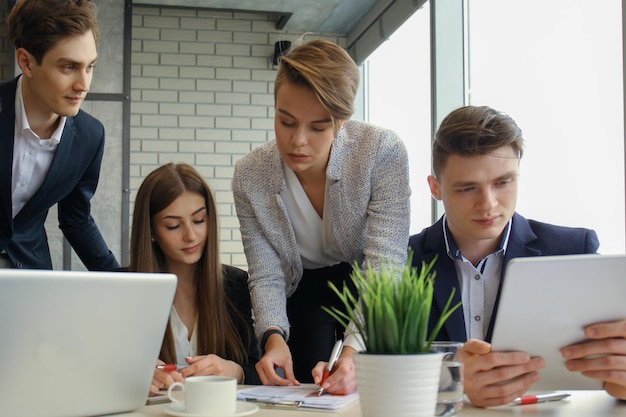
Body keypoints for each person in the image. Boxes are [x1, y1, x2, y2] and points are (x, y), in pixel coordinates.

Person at [408, 105, 626, 406]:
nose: (488, 204)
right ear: (435, 188)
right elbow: (371, 365)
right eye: (467, 188)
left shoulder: (574, 251)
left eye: (503, 182)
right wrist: (450, 379)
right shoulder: (399, 260)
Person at [231, 38, 410, 388]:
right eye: (286, 122)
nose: (298, 141)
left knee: (369, 382)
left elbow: (385, 265)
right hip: (303, 289)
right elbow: (266, 272)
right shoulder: (250, 174)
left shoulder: (381, 153)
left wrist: (354, 349)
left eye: (318, 127)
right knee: (303, 384)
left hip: (366, 282)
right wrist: (272, 337)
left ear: (342, 122)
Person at [0, 0, 118, 270]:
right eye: (68, 67)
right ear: (26, 63)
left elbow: (76, 218)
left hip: (30, 275)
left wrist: (120, 281)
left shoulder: (91, 136)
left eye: (90, 67)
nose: (83, 84)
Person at [129, 163, 261, 393]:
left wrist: (234, 372)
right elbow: (89, 368)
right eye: (173, 226)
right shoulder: (123, 289)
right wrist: (132, 375)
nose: (191, 236)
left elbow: (262, 370)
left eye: (199, 221)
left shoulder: (237, 284)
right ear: (150, 230)